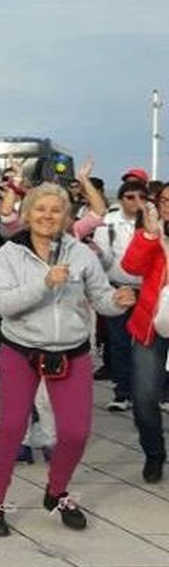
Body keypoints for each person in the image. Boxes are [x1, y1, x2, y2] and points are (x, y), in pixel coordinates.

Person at [0, 184, 135, 535]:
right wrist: (44, 282)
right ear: (27, 214)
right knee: (11, 427)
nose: (48, 216)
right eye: (41, 209)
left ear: (67, 217)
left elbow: (101, 297)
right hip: (21, 349)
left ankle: (57, 490)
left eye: (56, 210)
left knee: (75, 432)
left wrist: (119, 301)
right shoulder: (10, 253)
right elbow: (2, 305)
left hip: (71, 351)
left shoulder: (80, 253)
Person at [123, 191, 169, 482]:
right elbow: (131, 267)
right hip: (151, 325)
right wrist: (150, 237)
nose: (168, 206)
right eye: (165, 200)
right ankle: (154, 453)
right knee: (143, 396)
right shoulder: (151, 233)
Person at [94, 179, 146, 411]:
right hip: (118, 288)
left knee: (149, 344)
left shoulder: (154, 222)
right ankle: (122, 392)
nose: (137, 202)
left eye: (142, 197)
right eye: (130, 197)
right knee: (119, 342)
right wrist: (97, 254)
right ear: (121, 199)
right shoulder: (109, 223)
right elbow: (104, 260)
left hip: (148, 291)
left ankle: (150, 392)